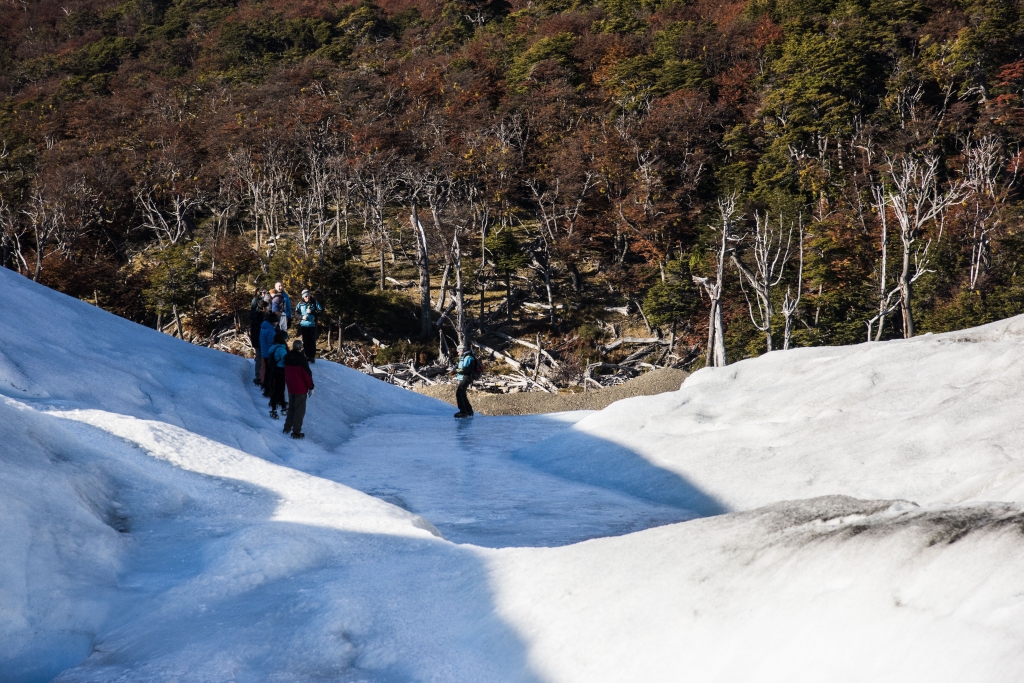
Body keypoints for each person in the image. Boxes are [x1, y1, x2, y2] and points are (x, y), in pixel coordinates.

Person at [283, 340, 314, 439]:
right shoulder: (301, 360)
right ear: (300, 348)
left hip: (291, 387)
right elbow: (307, 375)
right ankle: (296, 432)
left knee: (291, 408)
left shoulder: (287, 357)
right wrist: (311, 387)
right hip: (300, 388)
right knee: (299, 410)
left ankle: (287, 427)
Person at [295, 289, 323, 363]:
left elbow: (321, 311)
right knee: (305, 341)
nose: (307, 297)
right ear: (303, 297)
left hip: (312, 325)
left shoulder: (314, 303)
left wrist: (313, 312)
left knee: (312, 341)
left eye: (308, 295)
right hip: (304, 325)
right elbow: (296, 313)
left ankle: (312, 356)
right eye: (306, 296)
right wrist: (301, 317)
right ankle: (307, 356)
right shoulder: (300, 304)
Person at [267, 330, 289, 419]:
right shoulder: (282, 349)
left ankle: (283, 406)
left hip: (275, 370)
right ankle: (274, 408)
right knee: (279, 390)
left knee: (279, 389)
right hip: (281, 371)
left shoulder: (273, 348)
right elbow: (285, 361)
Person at [454, 344, 480, 418]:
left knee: (459, 393)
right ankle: (468, 411)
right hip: (464, 377)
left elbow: (465, 370)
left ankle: (463, 412)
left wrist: (455, 370)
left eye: (458, 351)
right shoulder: (465, 357)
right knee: (463, 394)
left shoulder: (468, 358)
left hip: (466, 377)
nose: (457, 353)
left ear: (462, 350)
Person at [259, 311, 279, 397]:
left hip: (265, 352)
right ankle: (268, 389)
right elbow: (272, 343)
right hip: (269, 354)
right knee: (270, 372)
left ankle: (266, 387)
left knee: (267, 371)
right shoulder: (270, 331)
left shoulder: (264, 327)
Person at [249, 298, 268, 386]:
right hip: (260, 341)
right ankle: (259, 376)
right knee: (261, 358)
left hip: (256, 340)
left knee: (259, 358)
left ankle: (259, 376)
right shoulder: (261, 318)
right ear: (263, 308)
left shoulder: (255, 317)